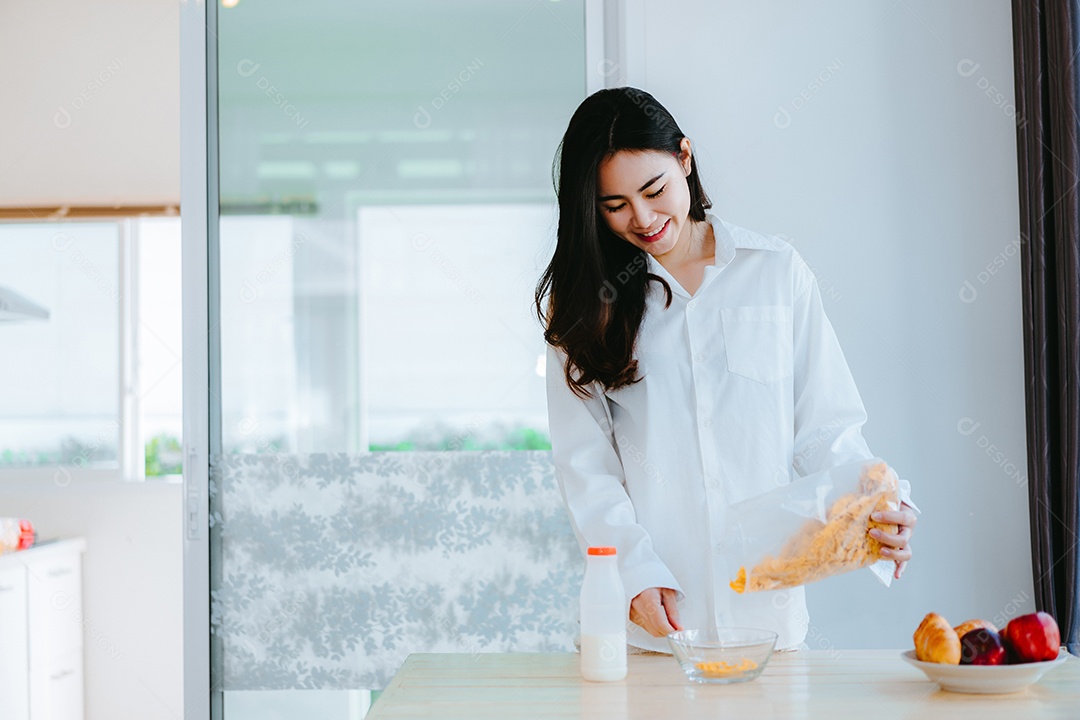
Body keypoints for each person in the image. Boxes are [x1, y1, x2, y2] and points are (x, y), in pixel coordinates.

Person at [534, 87, 919, 654]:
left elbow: (826, 430)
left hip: (768, 622)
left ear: (684, 159)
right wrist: (634, 573)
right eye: (614, 205)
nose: (642, 218)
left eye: (654, 189)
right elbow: (585, 467)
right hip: (651, 630)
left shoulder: (775, 273)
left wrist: (881, 506)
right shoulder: (587, 307)